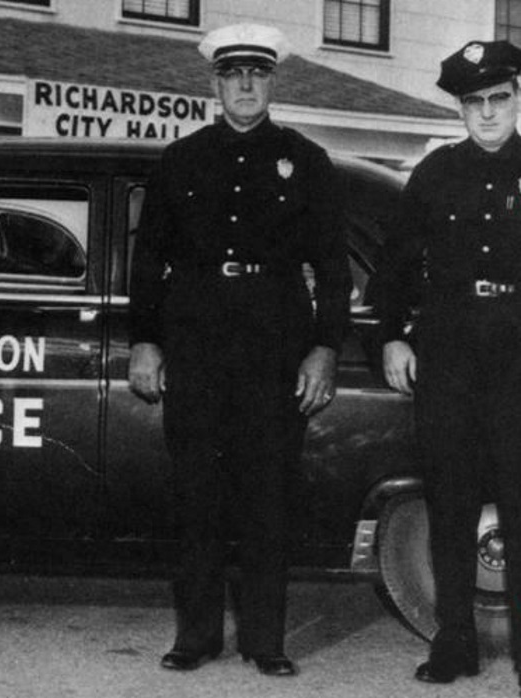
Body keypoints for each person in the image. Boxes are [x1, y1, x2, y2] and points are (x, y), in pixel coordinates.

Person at [127, 23, 350, 677]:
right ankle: (195, 636)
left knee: (266, 498)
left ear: (273, 81)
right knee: (196, 495)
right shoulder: (180, 160)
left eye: (257, 73)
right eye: (233, 74)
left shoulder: (306, 162)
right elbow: (148, 261)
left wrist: (324, 350)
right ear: (214, 82)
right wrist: (145, 340)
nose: (246, 84)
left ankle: (265, 640)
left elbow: (333, 269)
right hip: (195, 344)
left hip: (275, 346)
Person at [377, 40, 521, 688]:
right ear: (461, 108)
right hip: (452, 357)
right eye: (474, 102)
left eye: (499, 98)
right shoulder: (434, 175)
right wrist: (392, 337)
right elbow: (396, 267)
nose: (487, 113)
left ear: (516, 98)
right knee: (452, 509)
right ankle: (455, 643)